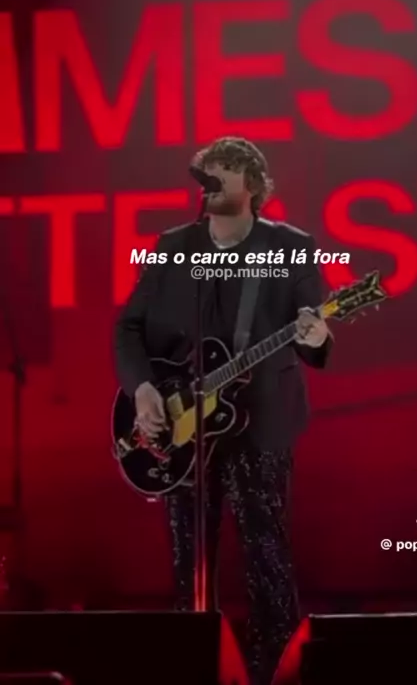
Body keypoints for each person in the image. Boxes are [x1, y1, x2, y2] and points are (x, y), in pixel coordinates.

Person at [114, 136, 333, 685]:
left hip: (261, 422)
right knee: (189, 559)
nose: (211, 182)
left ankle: (278, 671)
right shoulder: (174, 246)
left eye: (226, 172)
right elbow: (129, 327)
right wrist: (143, 390)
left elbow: (313, 331)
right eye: (207, 173)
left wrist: (317, 334)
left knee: (266, 554)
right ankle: (195, 665)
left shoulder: (289, 246)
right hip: (183, 423)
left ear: (253, 186)